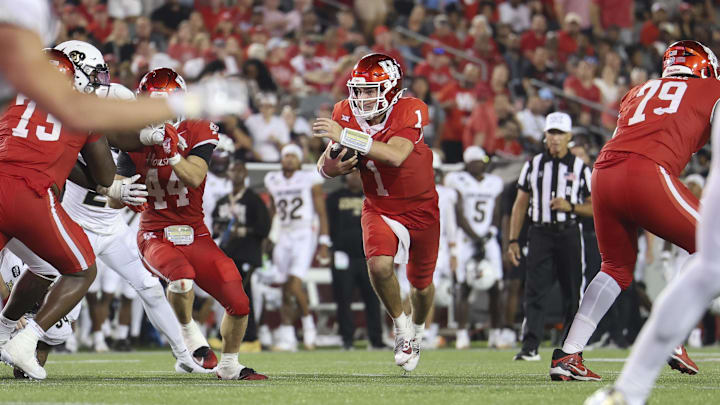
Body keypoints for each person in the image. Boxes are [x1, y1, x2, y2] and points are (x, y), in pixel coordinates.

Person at [554, 41, 715, 384]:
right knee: (714, 249)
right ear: (705, 68)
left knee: (615, 268)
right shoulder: (712, 88)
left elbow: (622, 136)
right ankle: (671, 332)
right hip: (647, 172)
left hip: (605, 171)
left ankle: (568, 353)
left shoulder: (639, 90)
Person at [115, 67, 266, 381]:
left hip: (195, 232)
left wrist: (170, 153)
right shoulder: (131, 135)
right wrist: (118, 190)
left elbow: (195, 175)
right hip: (154, 232)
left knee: (238, 300)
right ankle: (187, 334)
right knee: (181, 279)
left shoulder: (197, 128)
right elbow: (115, 195)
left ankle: (229, 365)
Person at [313, 53, 439, 372]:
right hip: (379, 205)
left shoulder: (411, 108)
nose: (361, 98)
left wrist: (345, 136)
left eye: (371, 90)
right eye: (358, 90)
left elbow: (395, 155)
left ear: (392, 88)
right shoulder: (344, 111)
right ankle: (401, 329)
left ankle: (418, 330)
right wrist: (331, 168)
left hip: (420, 209)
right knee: (380, 266)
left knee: (421, 286)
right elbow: (324, 164)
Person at [0, 49, 115, 380]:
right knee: (82, 270)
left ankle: (5, 328)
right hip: (30, 193)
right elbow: (105, 177)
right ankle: (27, 340)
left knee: (44, 266)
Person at [0, 0, 245, 133]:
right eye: (95, 74)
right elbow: (76, 111)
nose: (101, 81)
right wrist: (192, 101)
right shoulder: (20, 8)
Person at [506, 112, 593, 361]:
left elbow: (593, 206)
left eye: (560, 134)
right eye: (551, 133)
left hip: (569, 233)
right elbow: (520, 204)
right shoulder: (533, 165)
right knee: (534, 290)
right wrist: (514, 240)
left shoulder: (580, 168)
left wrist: (571, 207)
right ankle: (530, 346)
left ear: (569, 137)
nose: (555, 139)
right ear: (545, 135)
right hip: (540, 232)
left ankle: (570, 347)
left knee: (571, 291)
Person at [264, 143, 330, 351]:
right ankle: (287, 334)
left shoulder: (309, 177)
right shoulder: (272, 179)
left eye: (293, 156)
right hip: (284, 233)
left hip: (304, 232)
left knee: (294, 284)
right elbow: (273, 209)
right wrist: (267, 235)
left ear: (300, 159)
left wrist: (324, 241)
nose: (289, 159)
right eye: (286, 156)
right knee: (284, 286)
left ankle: (309, 327)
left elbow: (321, 211)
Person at [444, 146, 506, 349]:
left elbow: (496, 211)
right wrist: (475, 237)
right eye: (475, 161)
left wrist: (490, 232)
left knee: (496, 284)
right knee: (463, 285)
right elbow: (459, 212)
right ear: (468, 163)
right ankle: (462, 334)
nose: (479, 164)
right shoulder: (458, 180)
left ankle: (496, 334)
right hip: (466, 238)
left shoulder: (494, 183)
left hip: (488, 237)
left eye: (481, 160)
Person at [212, 160, 272, 353]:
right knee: (229, 296)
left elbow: (264, 227)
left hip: (247, 253)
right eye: (232, 170)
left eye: (240, 170)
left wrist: (244, 231)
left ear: (245, 173)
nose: (236, 174)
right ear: (227, 174)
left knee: (245, 295)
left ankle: (251, 336)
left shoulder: (253, 200)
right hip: (227, 254)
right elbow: (214, 224)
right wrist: (220, 228)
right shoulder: (223, 200)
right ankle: (225, 334)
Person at [326, 170, 384, 351]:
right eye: (352, 174)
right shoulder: (334, 198)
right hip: (343, 255)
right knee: (343, 299)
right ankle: (347, 339)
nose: (355, 178)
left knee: (374, 299)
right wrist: (330, 247)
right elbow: (328, 224)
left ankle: (376, 340)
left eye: (358, 174)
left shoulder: (372, 197)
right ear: (345, 177)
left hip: (368, 255)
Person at [0, 249, 80, 379]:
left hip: (35, 315)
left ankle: (29, 353)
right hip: (6, 302)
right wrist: (9, 304)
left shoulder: (63, 264)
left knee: (59, 330)